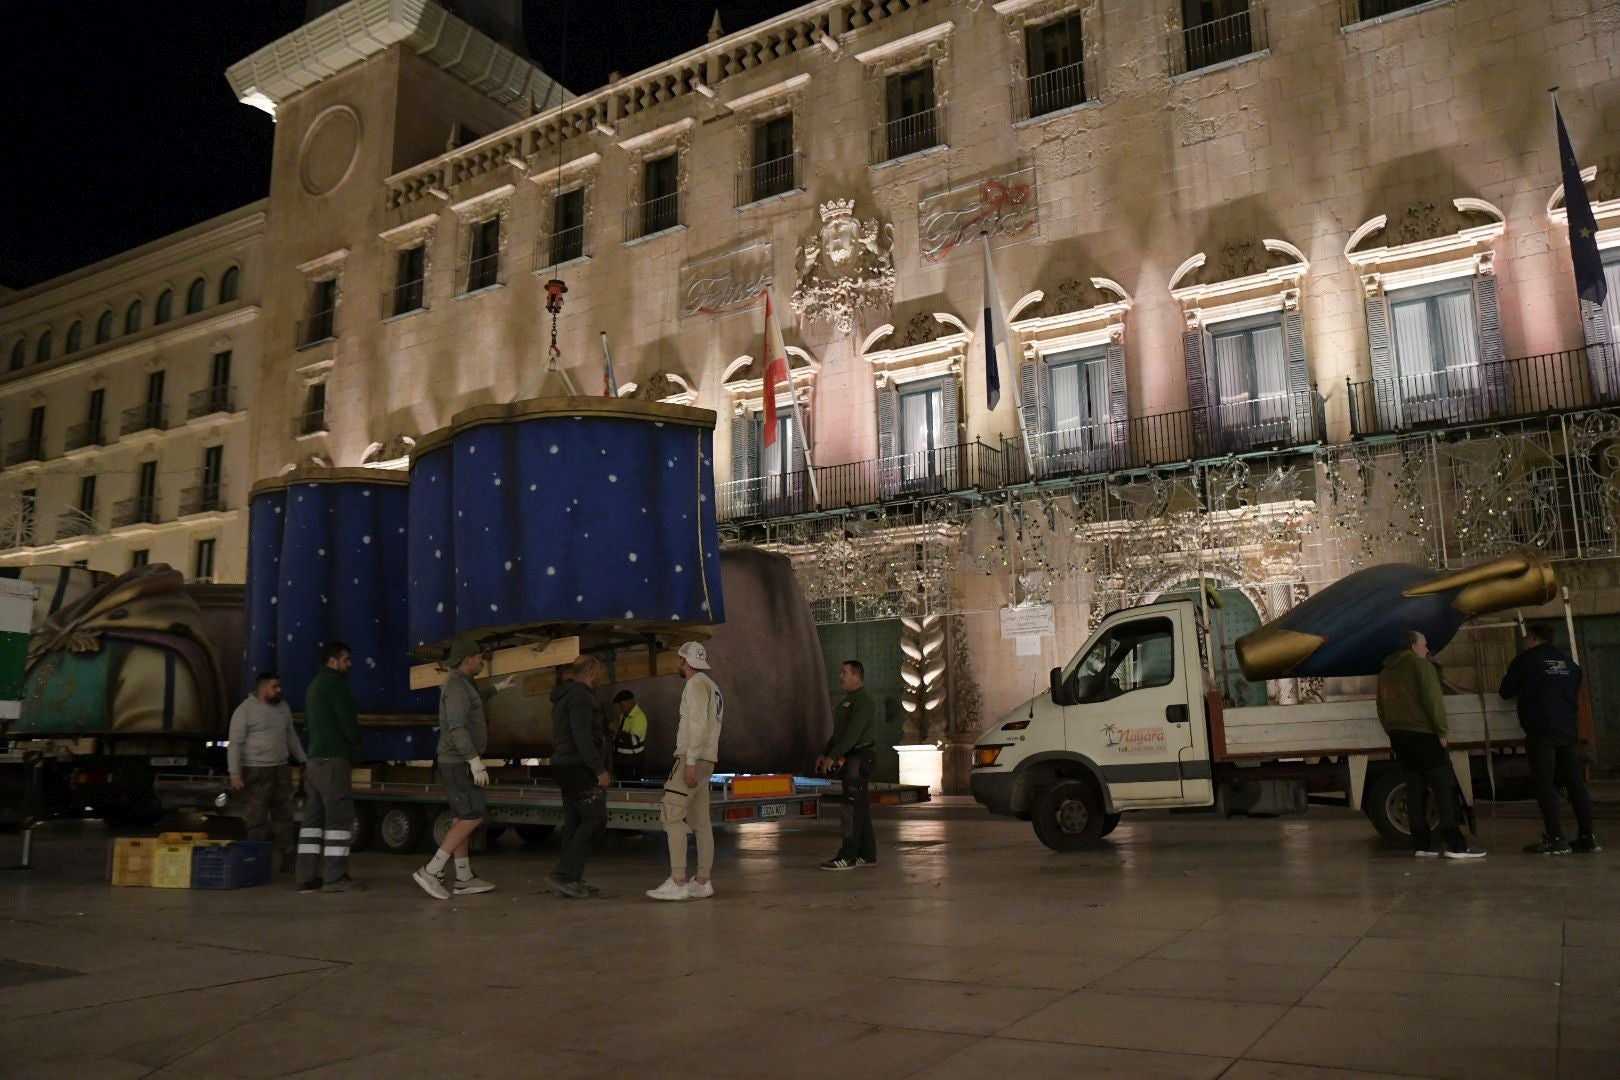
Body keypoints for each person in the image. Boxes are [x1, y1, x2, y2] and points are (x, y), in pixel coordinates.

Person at [413, 639, 515, 899]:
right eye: (479, 657)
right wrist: (473, 761)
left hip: (458, 761)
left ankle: (463, 877)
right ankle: (431, 870)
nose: (482, 660)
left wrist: (498, 689)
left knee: (462, 818)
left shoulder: (464, 683)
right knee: (473, 815)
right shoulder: (456, 686)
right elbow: (457, 727)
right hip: (459, 762)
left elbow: (475, 700)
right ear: (468, 658)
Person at [1376, 630, 1484, 860]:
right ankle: (1456, 845)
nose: (1427, 649)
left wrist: (1392, 730)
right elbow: (1433, 700)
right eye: (1424, 644)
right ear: (1413, 646)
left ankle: (1422, 844)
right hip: (1423, 735)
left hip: (1399, 735)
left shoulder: (1386, 672)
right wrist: (1442, 731)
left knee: (1415, 788)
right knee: (1443, 788)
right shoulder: (1421, 667)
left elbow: (1381, 707)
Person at [1500, 623, 1600, 855]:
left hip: (1541, 730)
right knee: (1575, 784)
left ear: (1532, 639)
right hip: (1568, 731)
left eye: (1527, 638)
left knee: (1545, 784)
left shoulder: (1525, 661)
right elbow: (1574, 691)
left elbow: (1505, 692)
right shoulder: (1569, 665)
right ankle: (1587, 837)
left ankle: (1555, 837)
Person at [646, 641, 723, 901]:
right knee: (701, 822)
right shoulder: (712, 687)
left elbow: (698, 725)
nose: (677, 664)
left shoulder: (694, 685)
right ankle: (702, 880)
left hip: (693, 760)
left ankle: (678, 881)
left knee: (670, 815)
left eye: (679, 659)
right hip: (707, 760)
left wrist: (689, 762)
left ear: (685, 661)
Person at [298, 641, 368, 891]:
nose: (349, 664)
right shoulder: (336, 684)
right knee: (339, 819)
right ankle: (335, 876)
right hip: (333, 760)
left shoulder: (314, 686)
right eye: (346, 659)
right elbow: (346, 721)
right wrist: (357, 742)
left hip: (315, 760)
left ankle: (306, 876)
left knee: (312, 823)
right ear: (333, 661)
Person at [227, 672, 306, 872]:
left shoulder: (283, 708)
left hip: (280, 768)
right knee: (257, 818)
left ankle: (288, 859)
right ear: (262, 688)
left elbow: (291, 737)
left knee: (284, 815)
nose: (279, 690)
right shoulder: (244, 711)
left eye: (279, 686)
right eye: (274, 687)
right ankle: (254, 861)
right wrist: (234, 774)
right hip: (255, 770)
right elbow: (235, 744)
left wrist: (303, 760)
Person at [548, 654, 611, 898]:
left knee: (574, 822)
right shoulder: (581, 698)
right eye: (600, 671)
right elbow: (582, 737)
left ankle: (570, 879)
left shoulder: (565, 696)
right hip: (577, 767)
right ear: (592, 671)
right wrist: (599, 769)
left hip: (565, 765)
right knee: (595, 818)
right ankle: (564, 873)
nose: (601, 676)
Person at [815, 659, 879, 870]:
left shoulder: (864, 701)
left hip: (859, 758)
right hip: (851, 758)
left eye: (844, 672)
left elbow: (853, 733)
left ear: (856, 676)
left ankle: (847, 856)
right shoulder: (846, 702)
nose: (840, 676)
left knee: (851, 808)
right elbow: (840, 734)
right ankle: (867, 854)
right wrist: (825, 753)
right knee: (859, 806)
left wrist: (834, 756)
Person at [610, 690, 649, 781]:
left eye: (623, 705)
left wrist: (616, 730)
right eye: (620, 705)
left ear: (631, 701)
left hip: (633, 762)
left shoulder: (639, 717)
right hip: (622, 761)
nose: (621, 708)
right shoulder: (624, 714)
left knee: (631, 788)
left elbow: (634, 741)